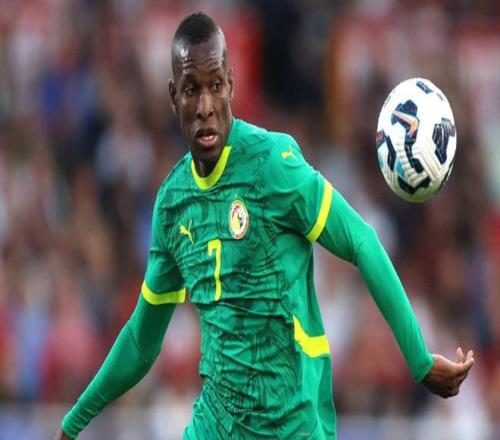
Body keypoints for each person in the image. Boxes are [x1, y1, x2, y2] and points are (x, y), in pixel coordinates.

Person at [55, 12, 474, 440]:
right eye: (191, 89)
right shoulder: (172, 204)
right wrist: (74, 422)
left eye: (215, 86)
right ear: (173, 96)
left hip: (292, 425)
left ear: (231, 85)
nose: (205, 107)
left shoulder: (272, 164)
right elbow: (141, 341)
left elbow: (361, 241)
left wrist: (419, 360)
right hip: (215, 426)